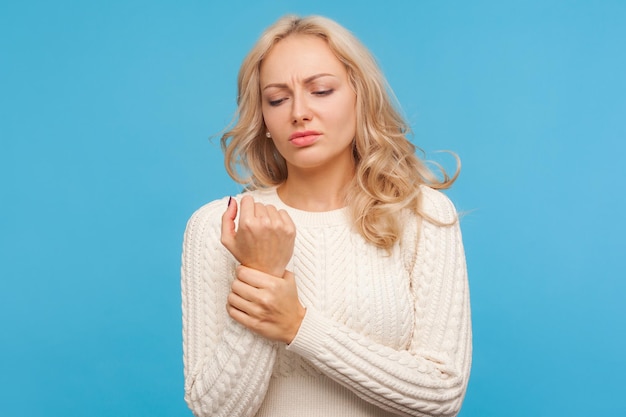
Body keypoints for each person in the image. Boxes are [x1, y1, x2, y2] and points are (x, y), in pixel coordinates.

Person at [181, 14, 472, 417]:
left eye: (320, 90)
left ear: (360, 96)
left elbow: (441, 394)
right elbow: (214, 411)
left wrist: (298, 326)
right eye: (278, 99)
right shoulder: (224, 227)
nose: (299, 112)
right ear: (263, 118)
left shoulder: (420, 215)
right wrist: (262, 272)